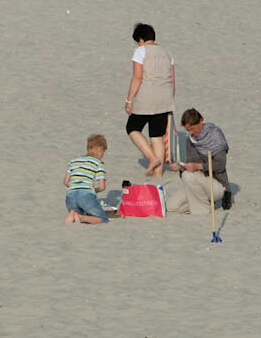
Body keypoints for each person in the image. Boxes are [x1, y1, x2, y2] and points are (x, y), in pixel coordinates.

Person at [123, 22, 176, 179]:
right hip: (165, 98)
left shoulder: (141, 51)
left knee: (132, 128)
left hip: (147, 96)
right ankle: (158, 174)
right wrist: (170, 98)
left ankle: (152, 158)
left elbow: (137, 77)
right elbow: (172, 79)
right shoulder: (167, 52)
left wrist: (129, 100)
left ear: (141, 39)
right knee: (156, 135)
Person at [176, 108, 233, 211]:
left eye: (192, 128)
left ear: (201, 121)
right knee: (172, 206)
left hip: (217, 183)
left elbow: (220, 165)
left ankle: (203, 210)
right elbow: (191, 163)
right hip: (198, 181)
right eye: (188, 130)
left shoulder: (215, 135)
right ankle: (201, 203)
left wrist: (198, 166)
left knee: (187, 176)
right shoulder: (191, 140)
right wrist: (181, 167)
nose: (191, 132)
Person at [63, 134, 110, 226]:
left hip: (70, 196)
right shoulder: (98, 162)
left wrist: (76, 186)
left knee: (80, 212)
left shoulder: (74, 160)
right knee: (103, 219)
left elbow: (65, 182)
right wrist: (94, 190)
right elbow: (102, 187)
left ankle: (73, 213)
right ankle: (81, 217)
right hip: (86, 195)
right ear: (100, 150)